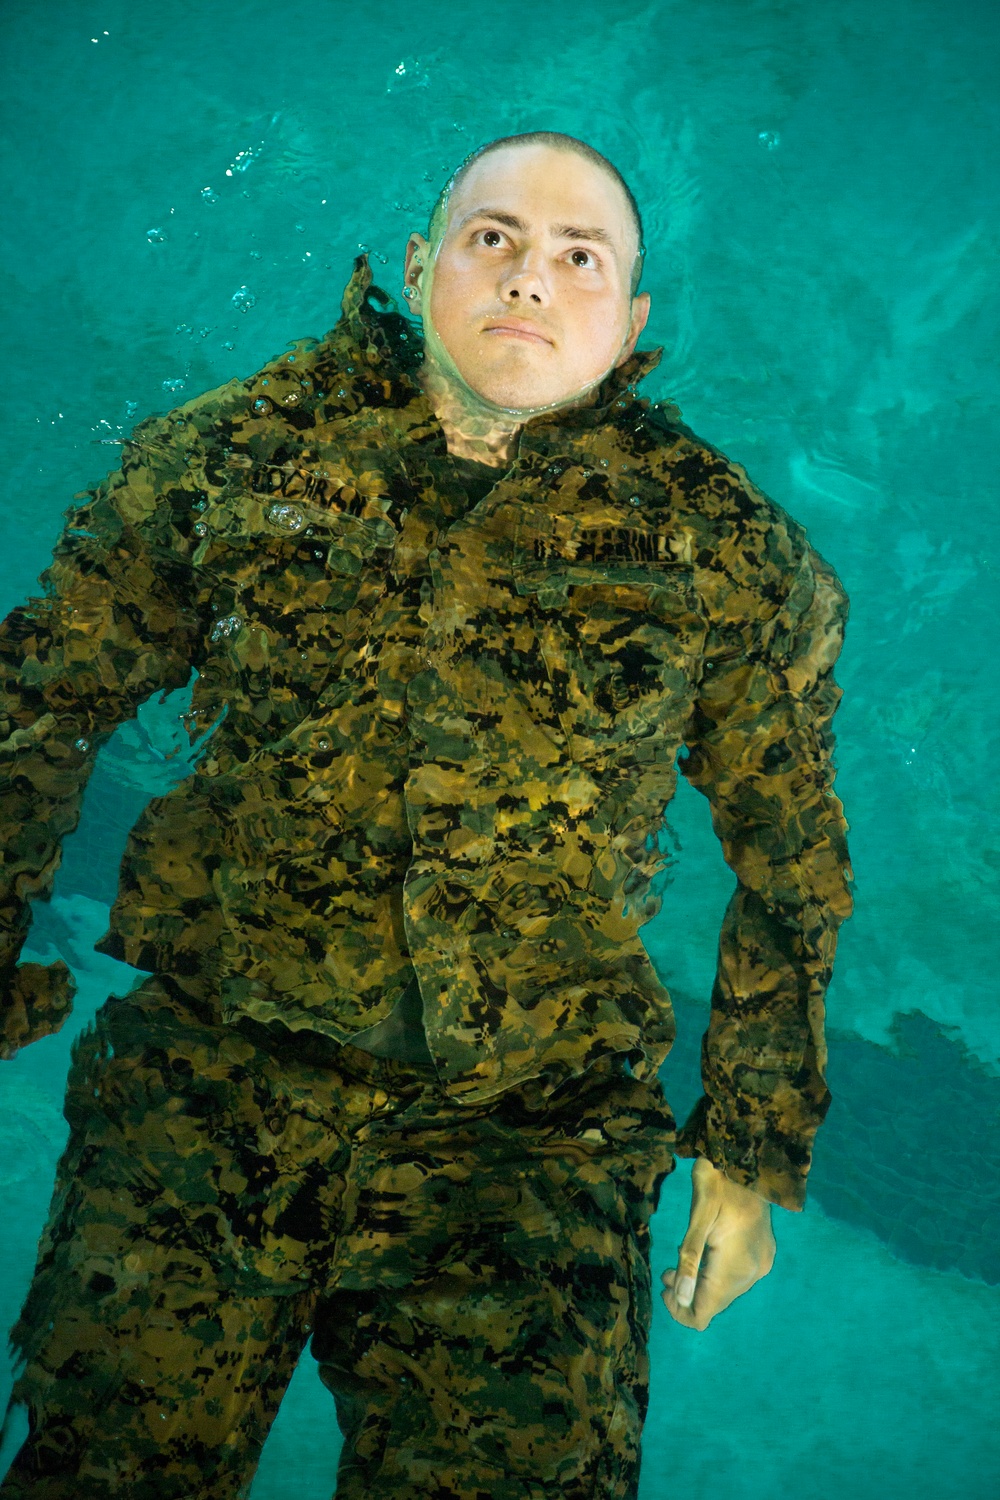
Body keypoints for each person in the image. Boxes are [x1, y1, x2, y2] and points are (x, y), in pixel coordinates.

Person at [0, 131, 853, 1499]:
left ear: (630, 324)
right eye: (494, 237)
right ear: (421, 264)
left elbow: (791, 854)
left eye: (581, 258)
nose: (530, 279)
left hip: (532, 1129)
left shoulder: (721, 552)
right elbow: (38, 699)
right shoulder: (235, 456)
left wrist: (748, 1154)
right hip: (215, 1075)